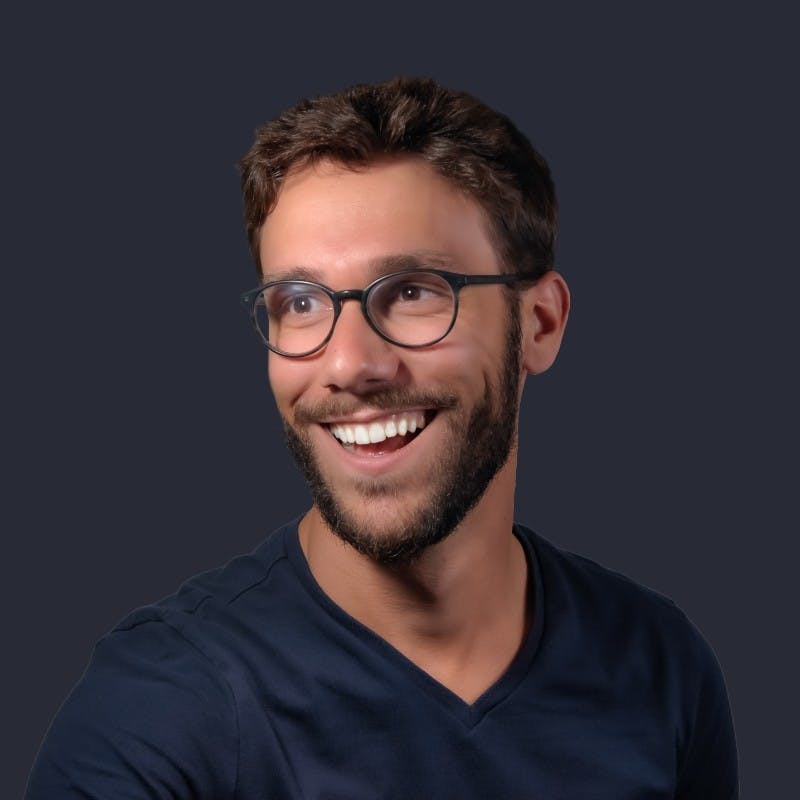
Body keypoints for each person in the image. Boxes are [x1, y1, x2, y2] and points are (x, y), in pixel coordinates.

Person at [27, 77, 738, 799]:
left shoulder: (662, 668)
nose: (348, 364)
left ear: (540, 324)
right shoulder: (157, 714)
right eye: (300, 302)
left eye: (413, 290)